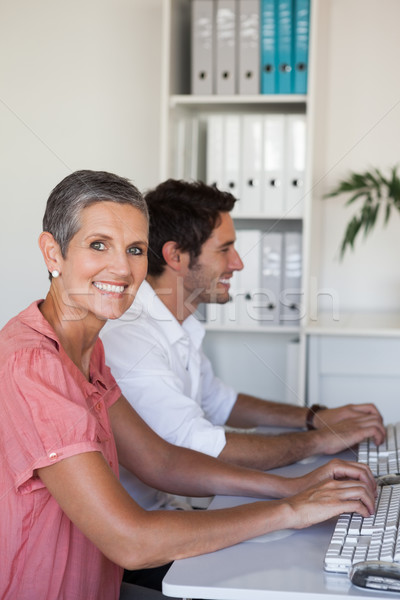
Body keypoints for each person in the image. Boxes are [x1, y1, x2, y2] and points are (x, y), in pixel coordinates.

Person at [0, 170, 378, 600]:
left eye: (135, 249)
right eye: (98, 245)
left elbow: (160, 461)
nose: (122, 268)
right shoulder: (34, 364)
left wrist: (292, 487)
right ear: (53, 253)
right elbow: (132, 541)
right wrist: (289, 509)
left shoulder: (87, 350)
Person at [101, 178, 385, 513]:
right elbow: (200, 446)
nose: (238, 263)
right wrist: (320, 441)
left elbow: (220, 401)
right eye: (224, 249)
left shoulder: (180, 321)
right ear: (175, 255)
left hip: (175, 508)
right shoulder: (130, 335)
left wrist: (315, 418)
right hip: (149, 531)